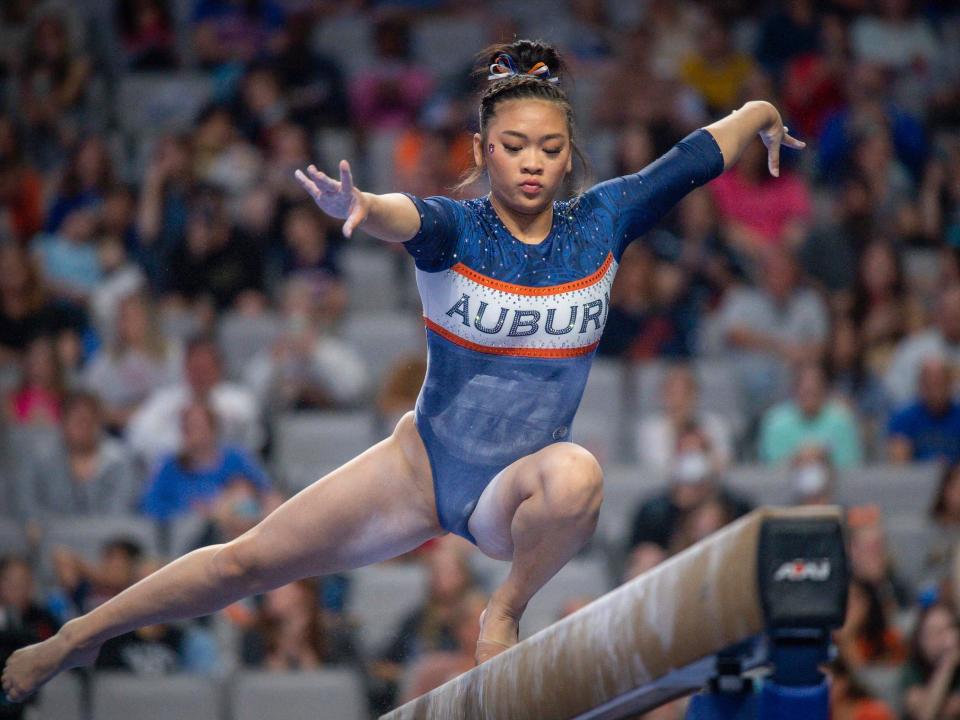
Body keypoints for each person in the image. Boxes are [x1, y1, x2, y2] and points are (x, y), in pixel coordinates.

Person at [2, 38, 806, 702]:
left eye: (551, 149)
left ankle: (504, 610)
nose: (532, 163)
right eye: (514, 146)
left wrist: (763, 114)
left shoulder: (605, 220)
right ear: (485, 149)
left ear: (570, 159)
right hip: (419, 466)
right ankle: (75, 639)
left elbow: (699, 154)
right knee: (245, 562)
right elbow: (402, 212)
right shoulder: (456, 230)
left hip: (510, 491)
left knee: (580, 476)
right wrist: (362, 208)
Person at [887, 355, 960, 464]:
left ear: (950, 384)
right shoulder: (903, 418)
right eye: (929, 383)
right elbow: (898, 465)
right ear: (920, 384)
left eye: (940, 382)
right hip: (916, 478)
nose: (935, 390)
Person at [902, 602, 960, 720]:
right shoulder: (912, 670)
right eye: (932, 632)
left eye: (946, 630)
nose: (941, 639)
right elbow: (926, 715)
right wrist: (947, 665)